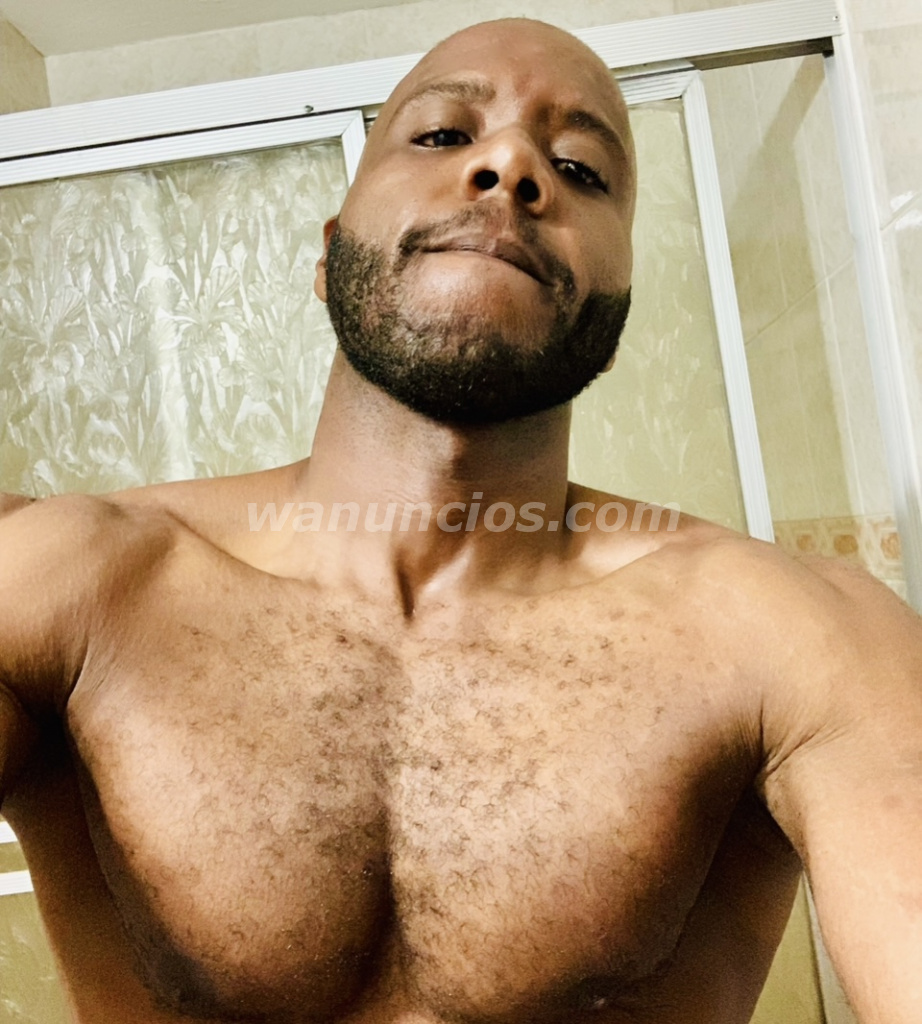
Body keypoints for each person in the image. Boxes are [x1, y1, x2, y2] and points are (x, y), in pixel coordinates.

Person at [0, 17, 920, 1024]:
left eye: (579, 169)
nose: (510, 164)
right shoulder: (71, 582)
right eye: (443, 134)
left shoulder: (798, 637)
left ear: (616, 308)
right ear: (330, 255)